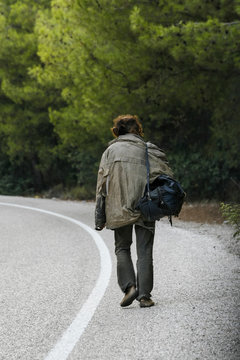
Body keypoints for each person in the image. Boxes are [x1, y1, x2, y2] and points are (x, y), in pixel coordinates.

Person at [95, 114, 172, 308]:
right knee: (145, 251)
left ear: (117, 131)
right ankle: (144, 296)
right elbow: (165, 176)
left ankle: (129, 287)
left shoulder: (110, 152)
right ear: (137, 129)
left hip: (118, 206)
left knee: (122, 248)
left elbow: (101, 187)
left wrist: (100, 217)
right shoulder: (147, 149)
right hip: (146, 206)